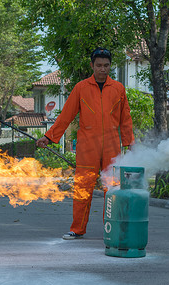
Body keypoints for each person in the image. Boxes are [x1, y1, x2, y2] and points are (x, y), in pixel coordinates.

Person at [36, 47, 134, 240]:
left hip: (112, 148)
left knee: (113, 190)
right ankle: (77, 229)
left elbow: (126, 118)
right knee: (82, 188)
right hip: (87, 147)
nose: (102, 69)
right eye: (99, 65)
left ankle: (114, 228)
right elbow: (66, 116)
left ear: (110, 66)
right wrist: (49, 137)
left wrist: (129, 143)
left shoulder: (118, 89)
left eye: (106, 65)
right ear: (92, 65)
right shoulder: (81, 88)